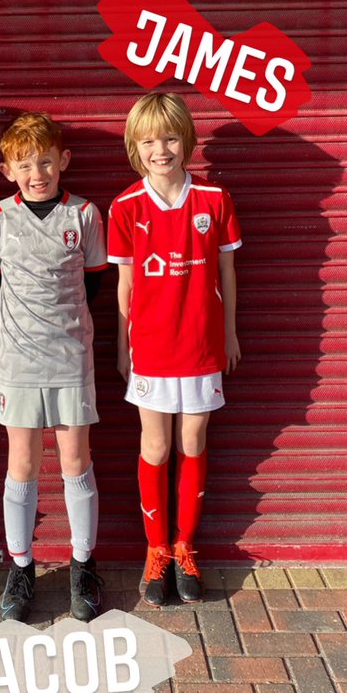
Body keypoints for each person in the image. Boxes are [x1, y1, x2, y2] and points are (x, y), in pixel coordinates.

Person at [108, 92, 241, 605]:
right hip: (152, 349)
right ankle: (156, 550)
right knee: (156, 447)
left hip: (202, 346)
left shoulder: (214, 201)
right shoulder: (126, 206)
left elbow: (227, 272)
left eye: (169, 138)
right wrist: (123, 346)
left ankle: (186, 548)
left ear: (186, 140)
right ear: (135, 147)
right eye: (149, 141)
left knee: (193, 442)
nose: (160, 149)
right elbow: (125, 284)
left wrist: (228, 333)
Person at [0, 112, 108, 622]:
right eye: (26, 164)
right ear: (8, 169)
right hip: (18, 361)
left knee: (76, 460)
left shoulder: (84, 215)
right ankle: (21, 567)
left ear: (64, 162)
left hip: (71, 358)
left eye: (47, 162)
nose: (39, 173)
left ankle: (82, 564)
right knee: (23, 464)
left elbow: (96, 281)